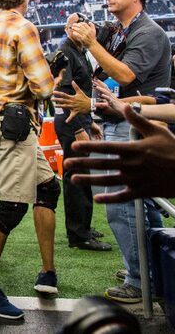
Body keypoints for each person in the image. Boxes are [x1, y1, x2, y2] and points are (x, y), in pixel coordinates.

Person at [67, 0, 171, 304]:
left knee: (123, 205)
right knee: (142, 207)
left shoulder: (148, 33)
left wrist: (92, 44)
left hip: (135, 123)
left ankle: (142, 280)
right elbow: (106, 57)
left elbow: (126, 74)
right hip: (122, 120)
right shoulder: (122, 31)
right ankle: (145, 268)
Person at [0, 0, 60, 320]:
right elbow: (44, 88)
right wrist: (56, 75)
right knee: (11, 206)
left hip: (1, 120)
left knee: (48, 187)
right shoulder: (23, 27)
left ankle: (48, 272)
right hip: (15, 125)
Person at [51, 15, 111, 252]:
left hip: (79, 118)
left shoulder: (80, 50)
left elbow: (82, 91)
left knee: (82, 175)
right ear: (67, 29)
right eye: (75, 26)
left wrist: (89, 124)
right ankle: (78, 234)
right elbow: (64, 93)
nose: (80, 29)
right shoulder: (65, 52)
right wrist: (78, 128)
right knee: (76, 177)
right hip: (70, 121)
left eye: (84, 25)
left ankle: (84, 226)